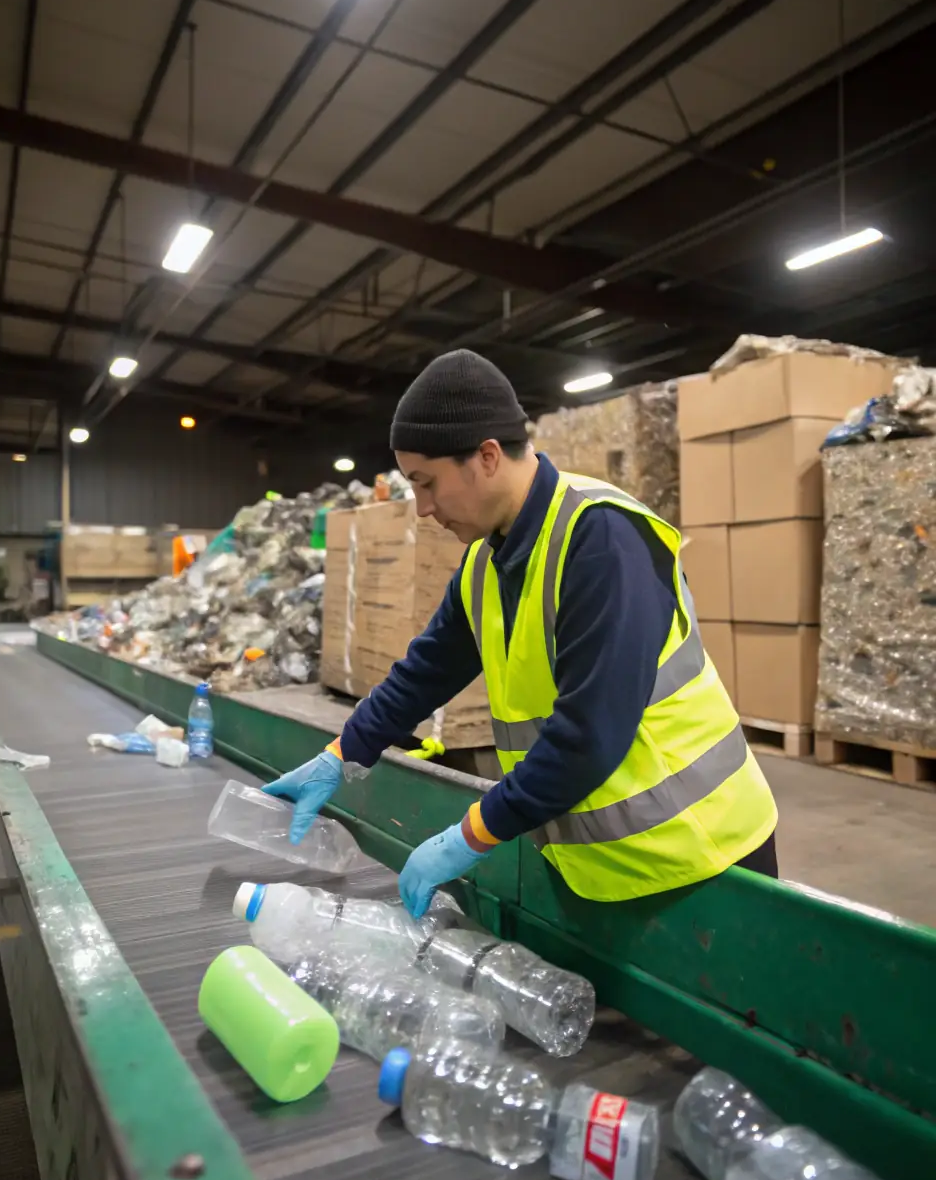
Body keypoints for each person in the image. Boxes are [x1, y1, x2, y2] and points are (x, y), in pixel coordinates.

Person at [265, 349, 779, 917]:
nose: (423, 509)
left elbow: (588, 736)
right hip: (608, 865)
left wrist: (472, 834)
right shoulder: (490, 561)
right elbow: (428, 669)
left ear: (486, 456)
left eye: (427, 483)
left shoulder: (601, 542)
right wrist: (343, 753)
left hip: (699, 856)